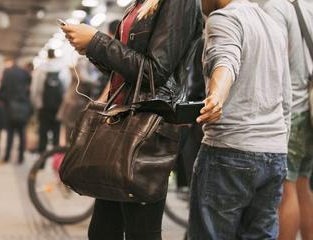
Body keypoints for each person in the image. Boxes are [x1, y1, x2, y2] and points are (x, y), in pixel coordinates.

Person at [61, 0, 203, 239]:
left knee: (140, 232)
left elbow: (155, 72)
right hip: (123, 122)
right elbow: (125, 70)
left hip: (148, 127)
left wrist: (97, 42)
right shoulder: (140, 3)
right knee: (103, 232)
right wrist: (91, 48)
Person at [187, 0, 292, 239]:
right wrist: (280, 146)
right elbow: (286, 97)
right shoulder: (273, 26)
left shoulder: (223, 18)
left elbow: (225, 60)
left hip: (229, 152)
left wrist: (216, 97)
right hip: (274, 154)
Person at [264, 1, 313, 239]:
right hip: (311, 110)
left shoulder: (277, 8)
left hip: (292, 111)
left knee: (287, 190)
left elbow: (273, 64)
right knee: (303, 187)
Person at [31, 49, 71, 153]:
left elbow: (35, 89)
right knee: (56, 132)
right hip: (58, 106)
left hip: (44, 106)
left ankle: (41, 159)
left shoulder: (40, 69)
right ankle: (54, 158)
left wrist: (37, 104)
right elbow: (67, 87)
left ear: (47, 55)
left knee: (43, 132)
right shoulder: (63, 68)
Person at [0, 58, 32, 164]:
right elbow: (29, 89)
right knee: (22, 133)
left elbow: (2, 90)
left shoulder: (6, 72)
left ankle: (7, 157)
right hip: (23, 106)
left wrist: (4, 101)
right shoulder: (25, 73)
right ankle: (20, 158)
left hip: (10, 106)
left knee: (10, 133)